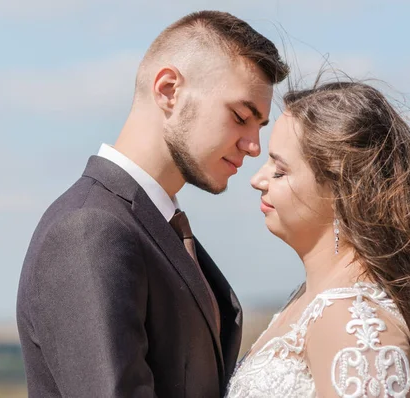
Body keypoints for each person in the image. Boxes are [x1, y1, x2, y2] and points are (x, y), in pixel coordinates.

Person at [16, 10, 289, 398]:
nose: (253, 146)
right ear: (168, 90)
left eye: (258, 127)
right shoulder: (88, 230)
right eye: (240, 116)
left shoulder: (157, 226)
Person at [226, 80, 410, 397]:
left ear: (341, 189)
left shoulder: (351, 320)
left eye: (280, 170)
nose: (257, 179)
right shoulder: (310, 300)